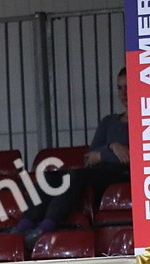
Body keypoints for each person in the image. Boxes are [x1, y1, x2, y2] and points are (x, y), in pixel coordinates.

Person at [13, 67, 130, 246]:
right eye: (120, 88)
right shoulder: (109, 121)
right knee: (50, 177)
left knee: (74, 176)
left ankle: (45, 228)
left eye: (128, 87)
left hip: (121, 177)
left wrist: (104, 154)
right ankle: (25, 225)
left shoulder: (147, 121)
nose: (124, 93)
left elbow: (133, 157)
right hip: (97, 173)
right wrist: (112, 147)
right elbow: (90, 157)